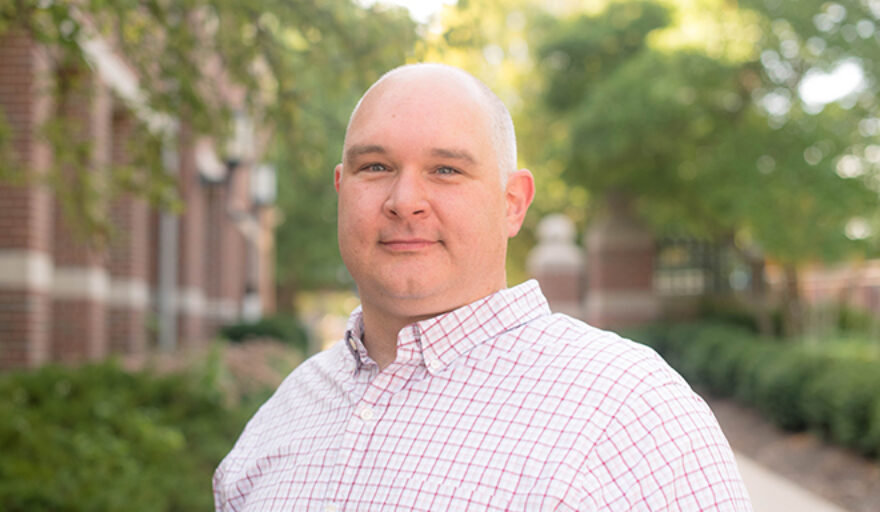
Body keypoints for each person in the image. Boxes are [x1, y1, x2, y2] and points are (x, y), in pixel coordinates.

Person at [213, 63, 753, 511]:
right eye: (375, 167)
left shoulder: (631, 412)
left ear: (513, 203)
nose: (405, 200)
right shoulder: (286, 411)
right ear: (341, 189)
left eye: (446, 170)